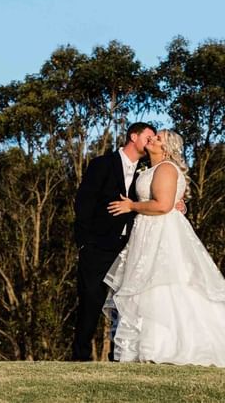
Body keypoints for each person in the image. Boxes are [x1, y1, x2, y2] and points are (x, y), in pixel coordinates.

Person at [104, 129, 225, 371]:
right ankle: (145, 346)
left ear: (166, 147)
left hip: (162, 234)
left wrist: (131, 206)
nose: (153, 138)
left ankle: (164, 346)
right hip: (147, 233)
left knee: (164, 283)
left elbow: (162, 205)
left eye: (158, 138)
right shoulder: (151, 169)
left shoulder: (166, 168)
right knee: (146, 285)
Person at [71, 122, 157, 361]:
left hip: (130, 246)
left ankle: (119, 356)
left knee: (127, 304)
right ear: (133, 136)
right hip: (97, 246)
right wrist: (84, 243)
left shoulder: (147, 171)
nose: (151, 143)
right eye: (148, 138)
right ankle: (80, 357)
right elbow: (83, 203)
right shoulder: (102, 164)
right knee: (90, 301)